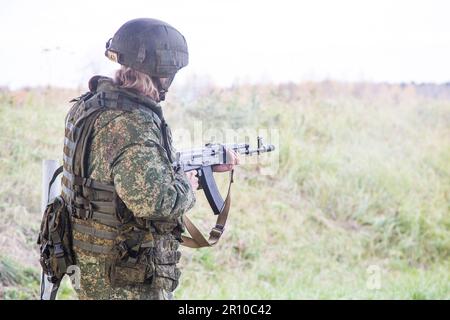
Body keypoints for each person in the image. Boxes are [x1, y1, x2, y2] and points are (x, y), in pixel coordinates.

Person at [61, 18, 238, 300]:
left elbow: (120, 169)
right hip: (122, 275)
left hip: (88, 258)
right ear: (164, 73)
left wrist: (201, 165)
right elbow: (153, 201)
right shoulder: (132, 123)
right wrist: (186, 187)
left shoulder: (90, 106)